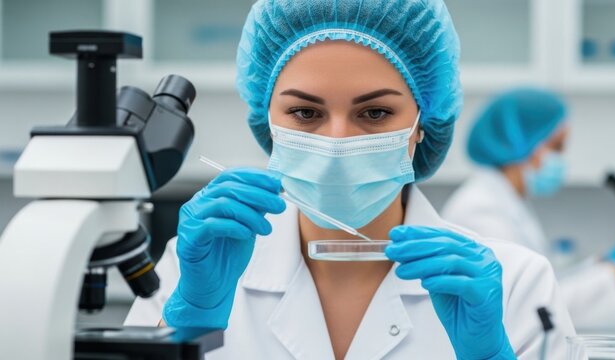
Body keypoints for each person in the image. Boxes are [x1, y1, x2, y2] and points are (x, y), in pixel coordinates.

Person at [125, 2, 576, 358]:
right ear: (269, 121)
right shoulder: (192, 271)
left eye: (374, 113)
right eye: (305, 113)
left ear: (422, 124)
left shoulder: (515, 284)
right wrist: (192, 321)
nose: (337, 141)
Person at [442, 87, 615, 331]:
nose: (561, 158)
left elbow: (546, 283)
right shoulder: (480, 211)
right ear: (520, 143)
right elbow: (533, 306)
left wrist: (601, 265)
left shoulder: (508, 201)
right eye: (556, 147)